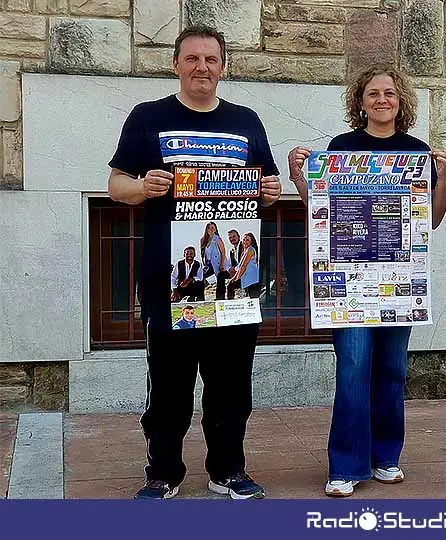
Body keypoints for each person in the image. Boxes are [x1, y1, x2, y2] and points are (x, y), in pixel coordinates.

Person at [107, 24, 281, 500]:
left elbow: (268, 189)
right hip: (173, 283)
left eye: (211, 59)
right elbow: (116, 185)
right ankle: (162, 471)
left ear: (223, 67)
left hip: (234, 283)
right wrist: (143, 187)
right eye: (192, 59)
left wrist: (269, 193)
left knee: (230, 387)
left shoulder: (246, 120)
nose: (202, 67)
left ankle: (228, 469)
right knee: (169, 387)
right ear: (176, 64)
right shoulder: (149, 116)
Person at [287, 64, 446, 497]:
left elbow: (431, 220)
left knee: (393, 372)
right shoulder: (342, 147)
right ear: (360, 102)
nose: (382, 100)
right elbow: (320, 211)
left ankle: (386, 457)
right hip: (350, 284)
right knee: (355, 367)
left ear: (401, 102)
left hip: (399, 282)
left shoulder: (417, 151)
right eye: (374, 93)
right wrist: (298, 177)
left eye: (390, 93)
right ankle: (345, 465)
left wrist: (443, 175)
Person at [200, 221, 228, 300]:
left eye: (212, 228)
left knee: (220, 279)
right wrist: (204, 264)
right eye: (209, 228)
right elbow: (202, 254)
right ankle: (200, 298)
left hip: (218, 262)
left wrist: (222, 264)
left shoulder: (217, 239)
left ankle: (220, 298)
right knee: (200, 277)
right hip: (208, 264)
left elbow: (223, 252)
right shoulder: (203, 240)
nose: (210, 229)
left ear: (215, 229)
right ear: (206, 229)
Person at [231, 232, 260, 299]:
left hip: (253, 280)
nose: (245, 242)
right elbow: (240, 266)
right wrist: (234, 278)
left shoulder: (250, 250)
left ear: (251, 242)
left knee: (253, 301)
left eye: (247, 240)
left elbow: (244, 266)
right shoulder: (245, 250)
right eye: (244, 240)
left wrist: (237, 278)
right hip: (247, 280)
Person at [226, 229, 244, 299]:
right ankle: (229, 302)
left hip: (245, 274)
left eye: (234, 236)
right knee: (229, 284)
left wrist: (235, 270)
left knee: (231, 283)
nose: (232, 239)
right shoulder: (232, 251)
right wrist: (229, 269)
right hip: (238, 274)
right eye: (230, 238)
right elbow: (228, 264)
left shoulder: (243, 246)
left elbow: (244, 262)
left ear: (238, 237)